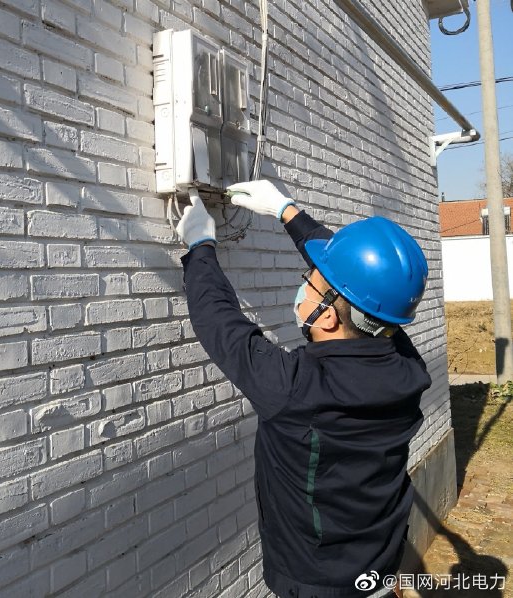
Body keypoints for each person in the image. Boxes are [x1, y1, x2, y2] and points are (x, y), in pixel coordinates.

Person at [175, 180, 432, 598]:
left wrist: (200, 245)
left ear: (328, 317)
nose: (304, 286)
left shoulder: (296, 388)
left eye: (308, 280)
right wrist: (287, 211)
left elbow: (219, 322)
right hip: (380, 565)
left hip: (318, 584)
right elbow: (367, 286)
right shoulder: (407, 367)